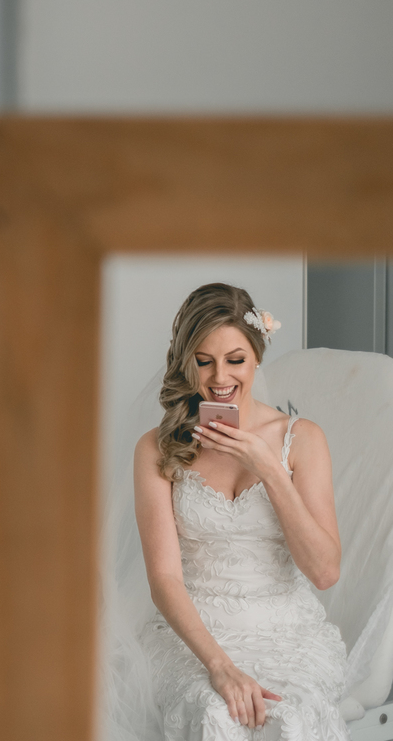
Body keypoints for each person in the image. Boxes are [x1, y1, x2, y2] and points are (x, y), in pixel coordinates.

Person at [134, 282, 350, 739]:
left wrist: (270, 470)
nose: (219, 379)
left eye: (235, 359)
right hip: (192, 637)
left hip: (287, 633)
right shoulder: (157, 448)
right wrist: (219, 666)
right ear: (185, 361)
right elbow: (164, 579)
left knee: (287, 721)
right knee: (217, 715)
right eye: (204, 360)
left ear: (257, 356)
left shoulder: (303, 440)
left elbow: (325, 572)